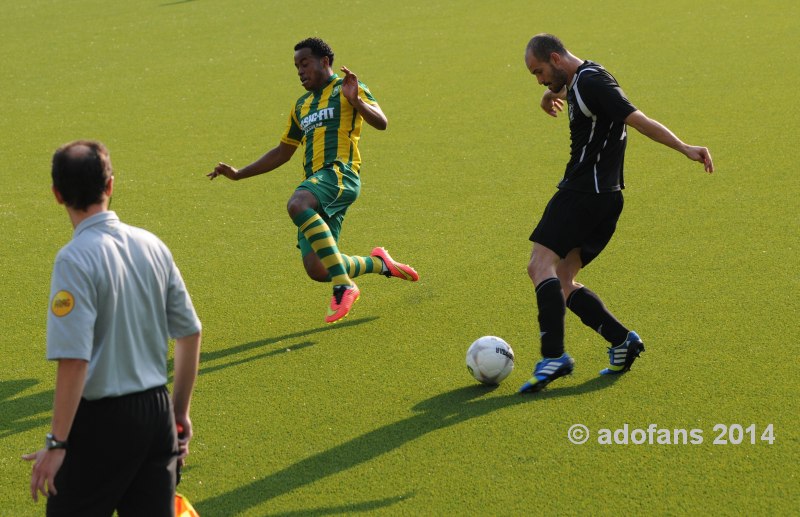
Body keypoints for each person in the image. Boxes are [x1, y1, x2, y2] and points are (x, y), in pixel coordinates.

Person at [518, 34, 714, 393]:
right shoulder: (580, 79)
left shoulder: (593, 81)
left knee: (538, 265)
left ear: (556, 59)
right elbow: (577, 97)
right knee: (562, 281)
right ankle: (622, 341)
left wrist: (684, 147)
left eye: (540, 71)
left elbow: (637, 119)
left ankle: (554, 356)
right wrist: (551, 94)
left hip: (581, 193)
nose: (540, 79)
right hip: (604, 200)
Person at [23, 140, 202, 515]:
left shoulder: (74, 259)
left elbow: (74, 360)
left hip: (101, 422)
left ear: (57, 195)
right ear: (110, 185)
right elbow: (189, 332)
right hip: (156, 414)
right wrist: (178, 412)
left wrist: (57, 444)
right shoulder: (152, 245)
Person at [208, 37, 419, 324]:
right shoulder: (301, 105)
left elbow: (382, 122)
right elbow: (283, 151)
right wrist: (238, 173)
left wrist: (356, 101)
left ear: (324, 62)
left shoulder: (346, 90)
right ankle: (380, 264)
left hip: (339, 175)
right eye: (296, 66)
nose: (299, 70)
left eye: (304, 63)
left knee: (297, 203)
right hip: (317, 183)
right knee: (318, 268)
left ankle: (344, 285)